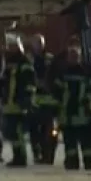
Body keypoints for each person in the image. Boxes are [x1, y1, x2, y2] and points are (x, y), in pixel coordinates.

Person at [53, 46, 91, 171]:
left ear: (80, 58)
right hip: (67, 114)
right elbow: (56, 90)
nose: (73, 58)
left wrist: (87, 101)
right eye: (71, 56)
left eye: (75, 56)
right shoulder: (63, 73)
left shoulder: (86, 73)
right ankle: (72, 162)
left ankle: (89, 162)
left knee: (87, 141)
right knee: (69, 141)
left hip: (83, 112)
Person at [0, 34, 36, 167]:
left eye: (12, 46)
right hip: (9, 104)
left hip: (18, 103)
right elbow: (4, 82)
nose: (10, 48)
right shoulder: (8, 62)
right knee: (11, 133)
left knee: (18, 133)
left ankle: (21, 158)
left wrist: (27, 99)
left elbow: (30, 83)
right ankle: (17, 156)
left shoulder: (24, 62)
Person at [27, 33, 59, 163]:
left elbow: (56, 75)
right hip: (34, 101)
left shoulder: (50, 59)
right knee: (34, 131)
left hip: (50, 102)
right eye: (36, 43)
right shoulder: (29, 60)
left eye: (40, 43)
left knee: (51, 131)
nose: (39, 46)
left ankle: (48, 155)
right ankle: (37, 153)